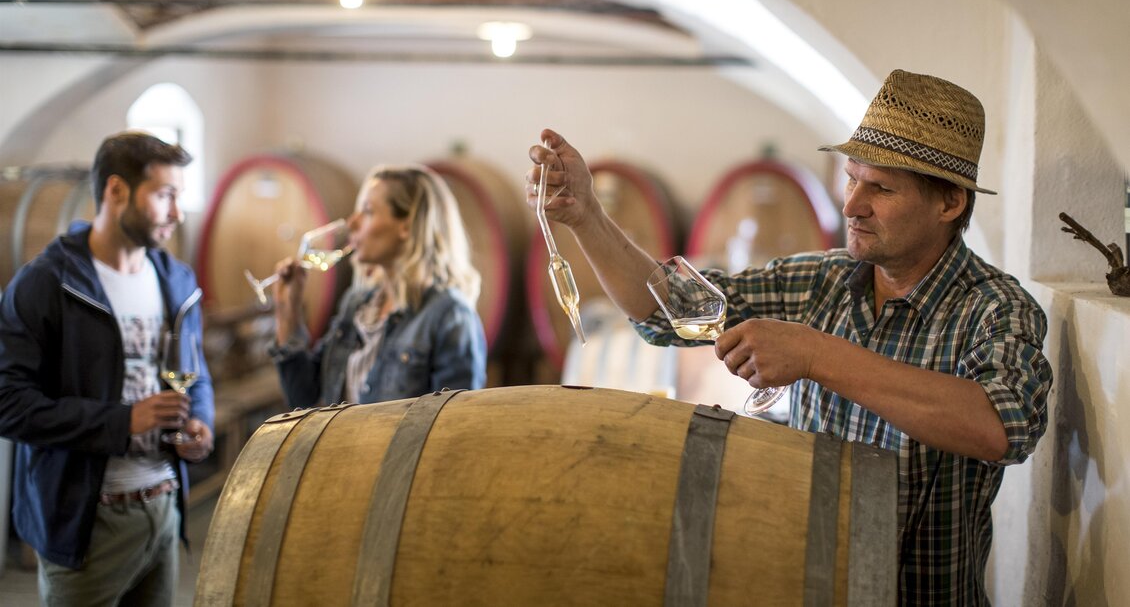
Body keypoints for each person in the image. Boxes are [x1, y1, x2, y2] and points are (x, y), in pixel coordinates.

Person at [525, 69, 1052, 605]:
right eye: (852, 179)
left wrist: (815, 354)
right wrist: (587, 216)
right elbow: (666, 311)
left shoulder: (995, 307)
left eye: (881, 188)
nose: (852, 205)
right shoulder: (820, 279)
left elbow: (1002, 425)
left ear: (950, 204)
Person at [0, 131, 215, 606]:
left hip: (163, 508)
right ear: (117, 190)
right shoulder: (46, 283)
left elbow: (196, 374)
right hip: (86, 524)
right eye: (165, 195)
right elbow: (9, 405)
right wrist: (122, 422)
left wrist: (201, 421)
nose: (177, 213)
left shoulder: (177, 280)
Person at [270, 164, 487, 406]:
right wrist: (288, 313)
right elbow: (303, 399)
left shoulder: (450, 316)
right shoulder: (358, 304)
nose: (352, 223)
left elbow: (455, 422)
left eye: (368, 211)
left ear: (407, 225)